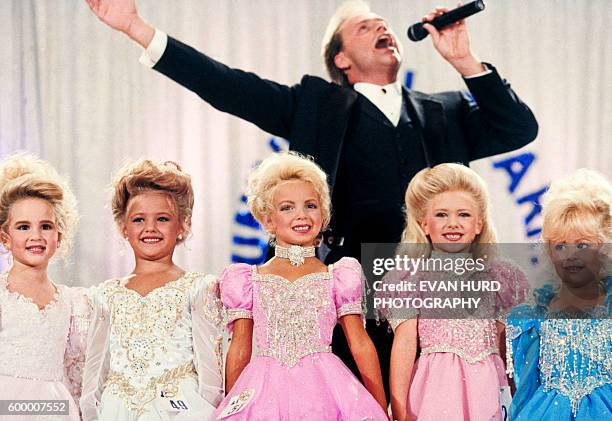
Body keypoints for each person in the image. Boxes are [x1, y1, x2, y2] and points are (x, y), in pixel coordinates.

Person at [85, 0, 539, 395]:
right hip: (347, 288)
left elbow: (519, 128)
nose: (382, 29)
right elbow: (227, 86)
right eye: (365, 26)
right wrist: (136, 28)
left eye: (384, 23)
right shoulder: (316, 105)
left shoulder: (446, 110)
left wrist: (464, 59)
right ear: (340, 59)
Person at [214, 152, 388, 420]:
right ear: (268, 220)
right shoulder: (248, 279)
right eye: (287, 207)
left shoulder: (338, 275)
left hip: (326, 389)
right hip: (265, 392)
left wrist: (378, 406)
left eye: (310, 205)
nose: (301, 215)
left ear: (323, 213)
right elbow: (239, 348)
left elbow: (360, 344)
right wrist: (230, 404)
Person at [80, 159, 224, 421]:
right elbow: (95, 373)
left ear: (183, 225)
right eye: (138, 219)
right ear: (123, 227)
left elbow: (210, 372)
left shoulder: (198, 288)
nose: (150, 228)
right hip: (117, 409)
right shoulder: (105, 295)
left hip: (180, 409)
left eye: (162, 219)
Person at [386, 163, 528, 421]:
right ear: (424, 224)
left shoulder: (500, 276)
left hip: (488, 386)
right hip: (436, 389)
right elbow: (405, 343)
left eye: (463, 215)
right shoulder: (412, 276)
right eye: (441, 215)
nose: (453, 223)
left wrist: (516, 396)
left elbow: (505, 344)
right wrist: (399, 410)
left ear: (478, 224)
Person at [507, 169, 611, 421]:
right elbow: (524, 384)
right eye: (560, 246)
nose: (570, 256)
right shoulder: (532, 317)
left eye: (582, 245)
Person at [0, 153, 89, 421]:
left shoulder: (73, 302)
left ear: (59, 237)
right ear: (5, 238)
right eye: (24, 227)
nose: (36, 236)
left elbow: (75, 372)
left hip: (57, 409)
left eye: (46, 226)